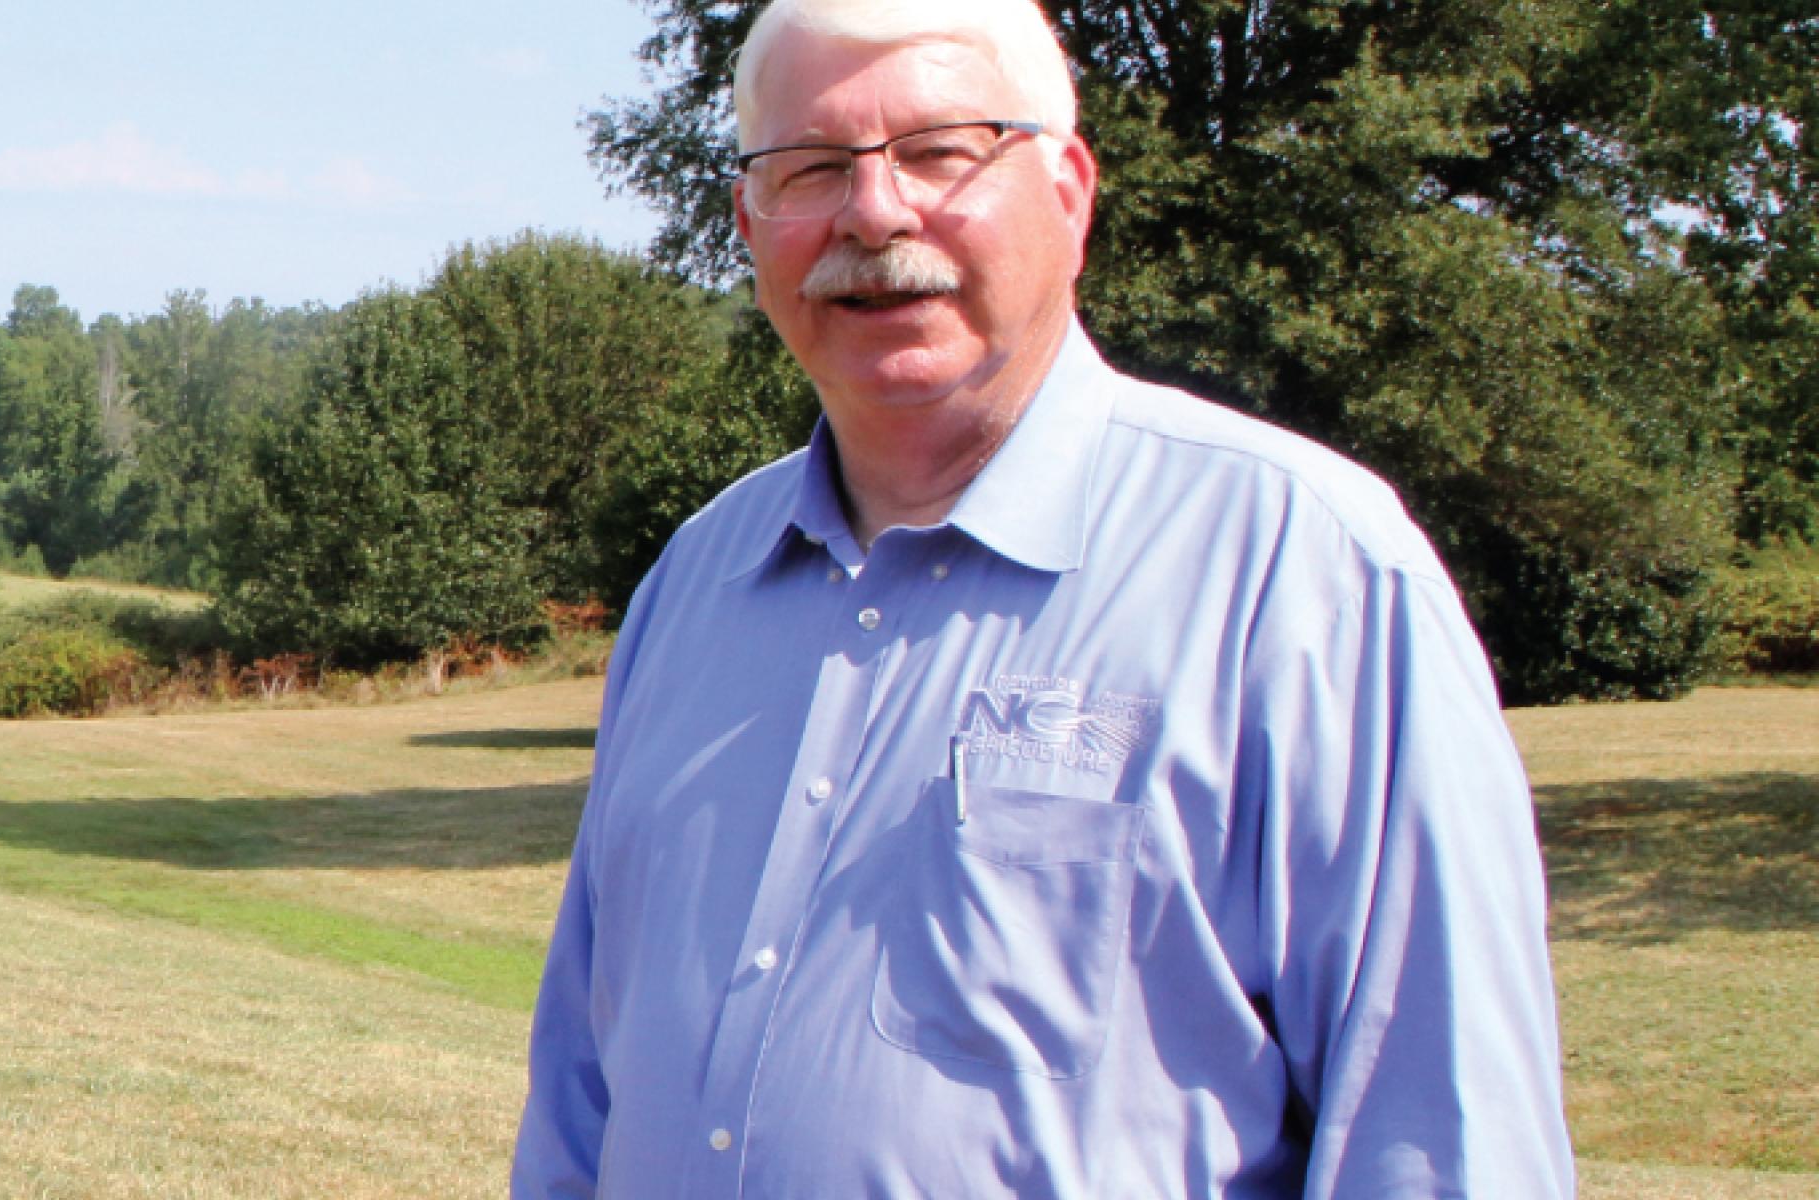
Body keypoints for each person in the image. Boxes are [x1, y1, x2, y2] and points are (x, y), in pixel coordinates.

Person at [507, 0, 1574, 1195]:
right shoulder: (693, 585)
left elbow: (1440, 1140)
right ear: (750, 223)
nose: (875, 211)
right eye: (810, 167)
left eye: (939, 152)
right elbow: (583, 1094)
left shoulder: (1305, 573)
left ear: (1069, 192)